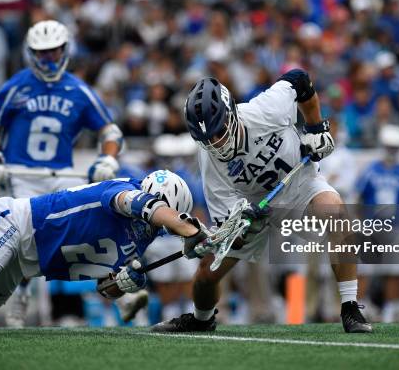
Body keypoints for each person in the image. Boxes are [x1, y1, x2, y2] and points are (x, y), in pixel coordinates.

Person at [154, 70, 372, 333]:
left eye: (219, 131)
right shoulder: (209, 161)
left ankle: (350, 307)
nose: (216, 142)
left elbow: (299, 80)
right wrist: (241, 225)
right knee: (206, 274)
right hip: (251, 210)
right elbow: (229, 226)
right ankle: (202, 319)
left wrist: (316, 128)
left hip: (297, 188)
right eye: (207, 138)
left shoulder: (266, 109)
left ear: (231, 114)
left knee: (337, 214)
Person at [0, 170, 209, 322]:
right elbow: (147, 208)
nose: (157, 227)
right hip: (18, 223)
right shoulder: (125, 191)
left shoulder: (144, 235)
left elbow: (104, 288)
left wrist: (123, 284)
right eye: (163, 218)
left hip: (30, 259)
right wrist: (189, 228)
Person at [0, 20, 123, 327]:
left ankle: (111, 289)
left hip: (59, 175)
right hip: (22, 174)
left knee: (72, 236)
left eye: (54, 51)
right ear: (32, 54)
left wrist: (108, 159)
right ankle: (20, 292)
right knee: (22, 237)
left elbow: (111, 131)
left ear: (65, 50)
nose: (49, 59)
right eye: (42, 53)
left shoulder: (78, 89)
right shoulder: (17, 85)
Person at [355, 124, 399, 323]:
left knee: (395, 270)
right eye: (389, 147)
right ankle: (362, 306)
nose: (392, 151)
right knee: (364, 269)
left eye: (395, 147)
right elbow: (357, 197)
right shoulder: (371, 170)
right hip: (371, 226)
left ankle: (391, 309)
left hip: (396, 227)